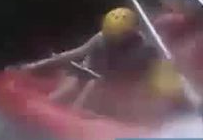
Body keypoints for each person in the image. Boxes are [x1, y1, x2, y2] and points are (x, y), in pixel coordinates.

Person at [15, 7, 157, 112]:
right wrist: (35, 65)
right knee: (73, 84)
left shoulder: (143, 49)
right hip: (90, 76)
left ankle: (75, 115)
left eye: (117, 38)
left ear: (130, 34)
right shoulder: (102, 37)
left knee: (93, 84)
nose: (112, 41)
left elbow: (142, 81)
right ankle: (54, 109)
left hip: (114, 89)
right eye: (110, 36)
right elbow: (75, 54)